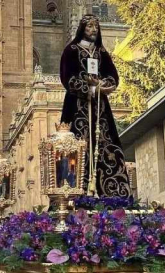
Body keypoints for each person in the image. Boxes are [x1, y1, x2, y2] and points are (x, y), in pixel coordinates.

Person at [59, 14, 130, 197]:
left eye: (96, 27)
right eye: (90, 27)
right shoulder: (71, 50)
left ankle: (110, 193)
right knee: (76, 145)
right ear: (83, 29)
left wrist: (103, 85)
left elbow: (113, 75)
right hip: (77, 105)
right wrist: (87, 87)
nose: (93, 30)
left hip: (100, 105)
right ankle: (74, 193)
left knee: (105, 143)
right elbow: (66, 77)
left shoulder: (101, 52)